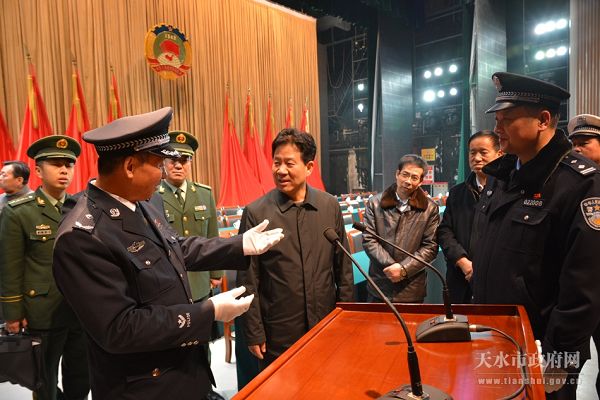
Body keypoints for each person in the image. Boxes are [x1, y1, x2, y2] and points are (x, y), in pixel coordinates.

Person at [51, 107, 284, 400]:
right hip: (144, 387)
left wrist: (239, 245)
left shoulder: (141, 202)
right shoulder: (83, 236)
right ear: (130, 166)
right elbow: (119, 328)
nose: (163, 175)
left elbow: (175, 247)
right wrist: (207, 312)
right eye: (158, 164)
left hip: (184, 370)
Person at [471, 72, 600, 399]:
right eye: (496, 120)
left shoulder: (580, 184)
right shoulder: (501, 176)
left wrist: (559, 359)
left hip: (541, 348)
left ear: (543, 120)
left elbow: (584, 285)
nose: (497, 129)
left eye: (507, 120)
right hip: (495, 336)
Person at [236, 128, 354, 373]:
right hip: (279, 329)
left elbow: (343, 268)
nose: (280, 170)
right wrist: (254, 331)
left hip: (325, 322)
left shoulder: (329, 206)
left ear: (309, 167)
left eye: (289, 163)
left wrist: (345, 316)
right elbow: (248, 279)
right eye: (276, 162)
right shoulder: (256, 213)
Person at [0, 135, 90, 400]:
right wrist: (13, 314)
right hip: (42, 311)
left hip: (80, 308)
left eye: (69, 165)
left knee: (80, 375)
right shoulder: (19, 211)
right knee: (44, 379)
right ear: (38, 171)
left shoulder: (82, 207)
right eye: (56, 164)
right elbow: (10, 266)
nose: (64, 170)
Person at [151, 130, 225, 400]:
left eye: (184, 159)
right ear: (163, 162)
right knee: (175, 344)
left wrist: (216, 272)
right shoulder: (153, 195)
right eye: (173, 160)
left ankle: (205, 390)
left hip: (200, 284)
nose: (178, 165)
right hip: (168, 286)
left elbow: (212, 236)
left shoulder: (203, 194)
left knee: (203, 343)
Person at [363, 154, 440, 303]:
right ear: (397, 174)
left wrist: (404, 269)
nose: (408, 181)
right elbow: (369, 239)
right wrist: (392, 267)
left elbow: (430, 246)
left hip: (411, 288)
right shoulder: (374, 203)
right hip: (380, 284)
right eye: (405, 174)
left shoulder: (430, 209)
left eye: (414, 177)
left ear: (420, 181)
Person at [436, 131, 502, 303]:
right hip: (459, 279)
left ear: (499, 154)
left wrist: (482, 269)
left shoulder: (508, 192)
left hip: (494, 281)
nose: (477, 158)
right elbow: (445, 231)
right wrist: (462, 261)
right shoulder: (457, 193)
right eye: (472, 153)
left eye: (483, 152)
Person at [567, 113, 600, 398]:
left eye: (585, 142)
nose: (576, 148)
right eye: (573, 143)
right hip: (579, 293)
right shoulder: (571, 185)